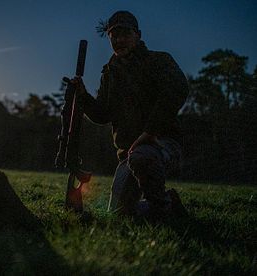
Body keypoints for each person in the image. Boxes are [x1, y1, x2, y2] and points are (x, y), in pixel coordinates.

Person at [72, 11, 189, 218]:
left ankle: (161, 211)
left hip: (163, 144)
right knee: (119, 214)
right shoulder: (109, 74)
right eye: (113, 36)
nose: (119, 40)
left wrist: (150, 131)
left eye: (125, 34)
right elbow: (102, 114)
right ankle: (169, 203)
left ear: (138, 35)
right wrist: (83, 96)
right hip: (129, 155)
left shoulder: (158, 61)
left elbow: (178, 88)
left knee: (143, 157)